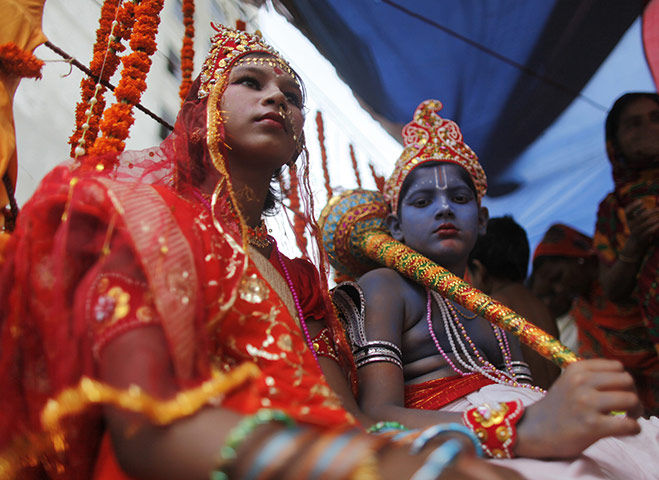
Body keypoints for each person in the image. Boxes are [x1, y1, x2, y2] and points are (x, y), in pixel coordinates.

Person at [0, 25, 519, 480]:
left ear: (297, 144)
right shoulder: (140, 214)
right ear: (205, 110)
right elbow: (144, 425)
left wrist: (482, 438)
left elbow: (347, 419)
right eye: (251, 83)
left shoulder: (301, 282)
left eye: (291, 96)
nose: (276, 99)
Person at [333, 99, 659, 479]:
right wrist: (514, 430)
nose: (444, 209)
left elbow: (526, 394)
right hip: (467, 443)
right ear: (395, 227)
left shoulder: (498, 311)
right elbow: (376, 414)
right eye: (423, 201)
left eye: (459, 198)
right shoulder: (386, 286)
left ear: (482, 219)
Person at [594, 92, 659, 414]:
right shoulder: (612, 209)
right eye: (633, 124)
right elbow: (613, 289)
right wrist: (636, 241)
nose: (649, 128)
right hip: (650, 355)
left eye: (656, 118)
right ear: (615, 143)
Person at [468, 216, 561, 389]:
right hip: (554, 409)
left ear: (479, 270)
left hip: (526, 412)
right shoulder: (542, 308)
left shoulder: (493, 309)